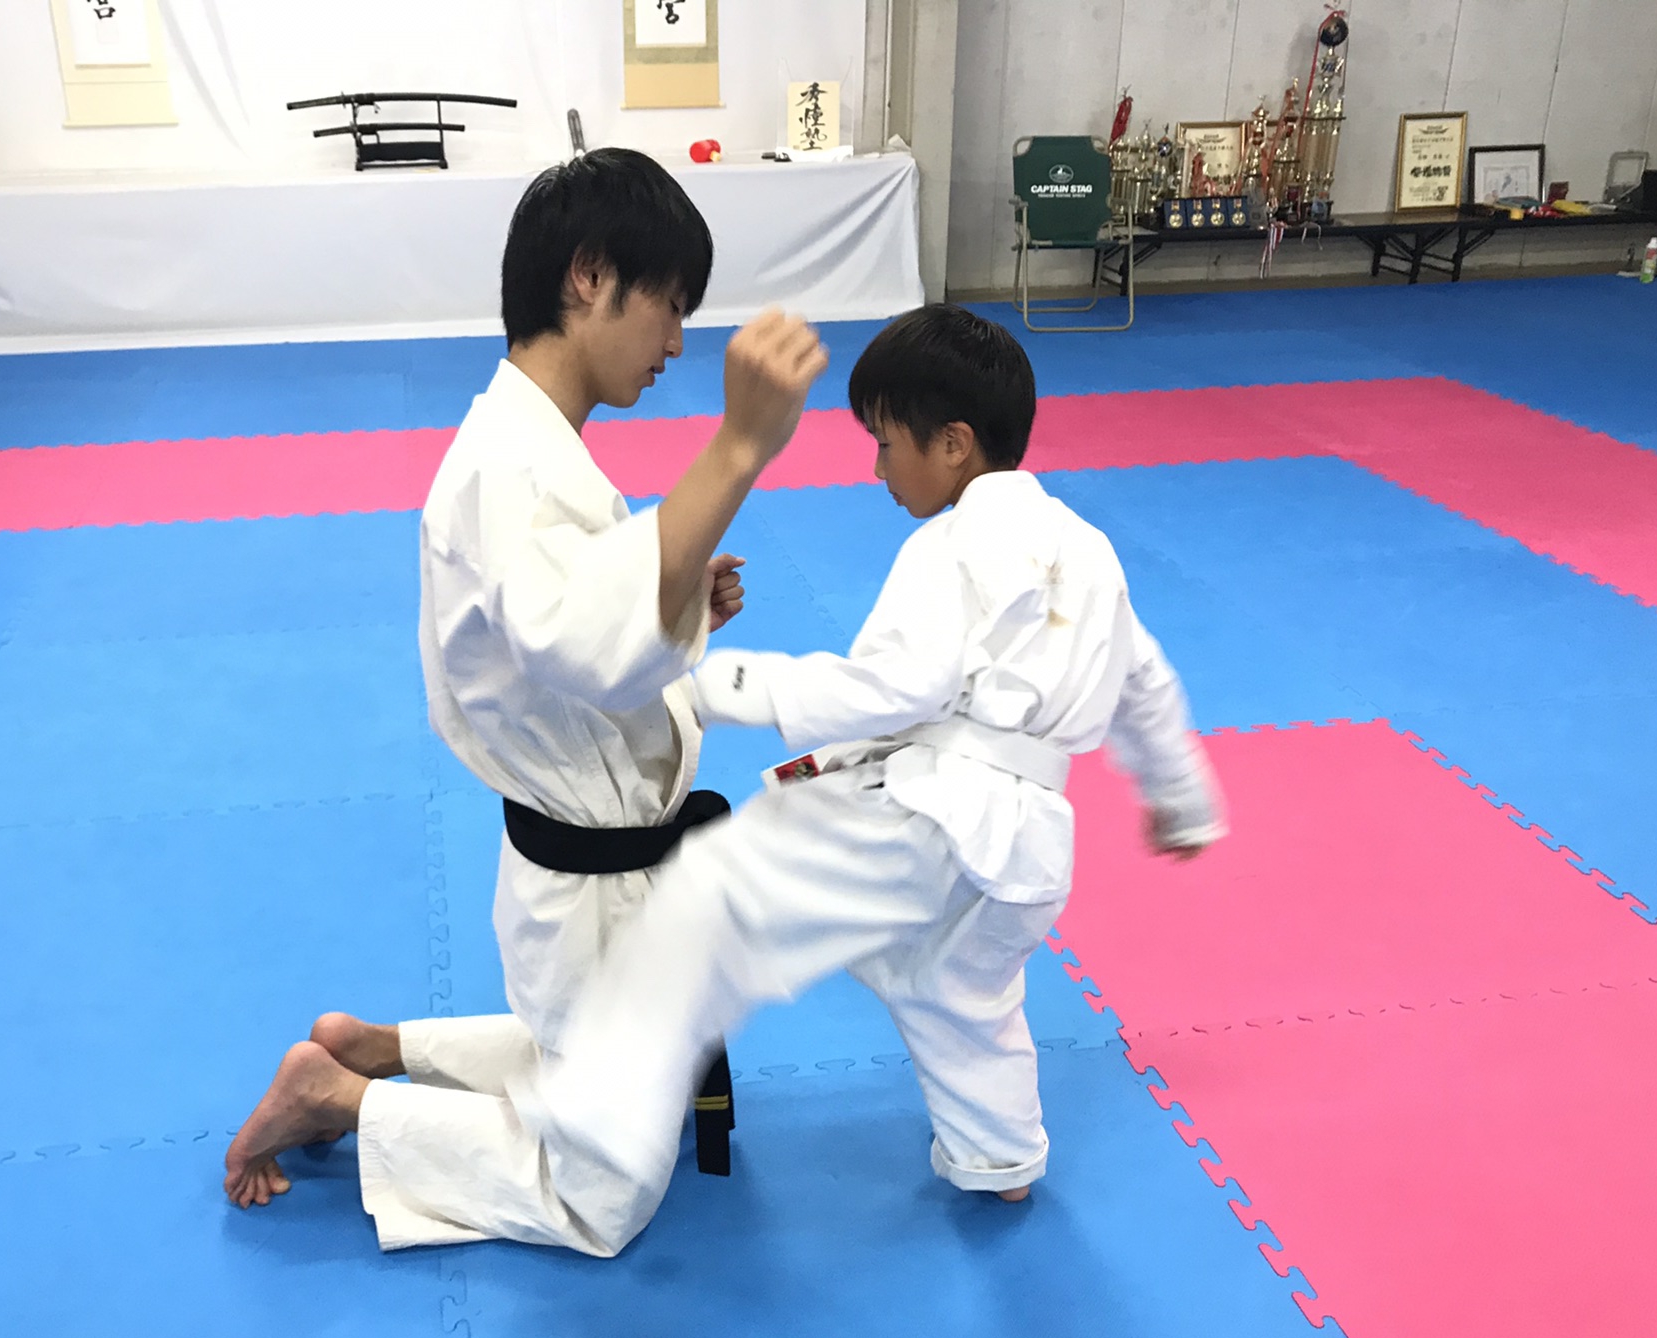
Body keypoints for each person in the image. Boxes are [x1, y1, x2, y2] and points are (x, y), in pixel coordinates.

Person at [226, 302, 1222, 1257]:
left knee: (716, 900)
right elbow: (1144, 683)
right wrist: (1180, 798)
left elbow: (894, 687)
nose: (877, 468)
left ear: (953, 444)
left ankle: (457, 1104)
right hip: (1030, 857)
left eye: (886, 445)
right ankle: (1002, 1161)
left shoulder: (952, 544)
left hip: (930, 822)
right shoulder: (1092, 556)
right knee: (967, 1001)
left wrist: (725, 688)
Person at [222, 147, 828, 1243]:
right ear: (589, 276)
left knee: (601, 1063)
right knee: (600, 1196)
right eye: (669, 306)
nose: (676, 345)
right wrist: (739, 445)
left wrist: (685, 601)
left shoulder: (536, 448)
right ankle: (340, 1098)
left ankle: (375, 1049)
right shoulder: (508, 466)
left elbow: (585, 620)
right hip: (583, 883)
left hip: (604, 865)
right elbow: (594, 647)